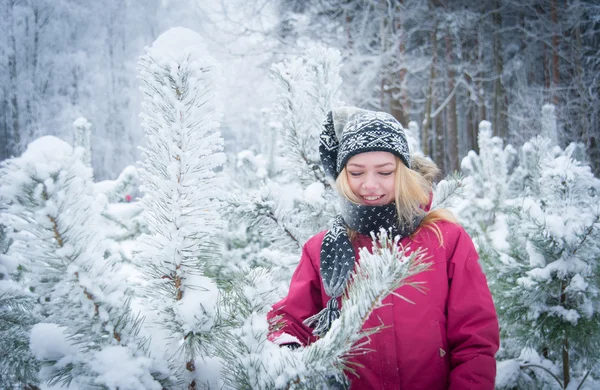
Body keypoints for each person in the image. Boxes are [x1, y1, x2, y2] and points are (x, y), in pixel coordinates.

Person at [267, 107, 500, 389]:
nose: (369, 184)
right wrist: (286, 355)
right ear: (342, 176)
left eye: (385, 171)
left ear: (403, 173)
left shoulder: (446, 240)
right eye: (356, 172)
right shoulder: (322, 250)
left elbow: (475, 339)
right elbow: (291, 321)